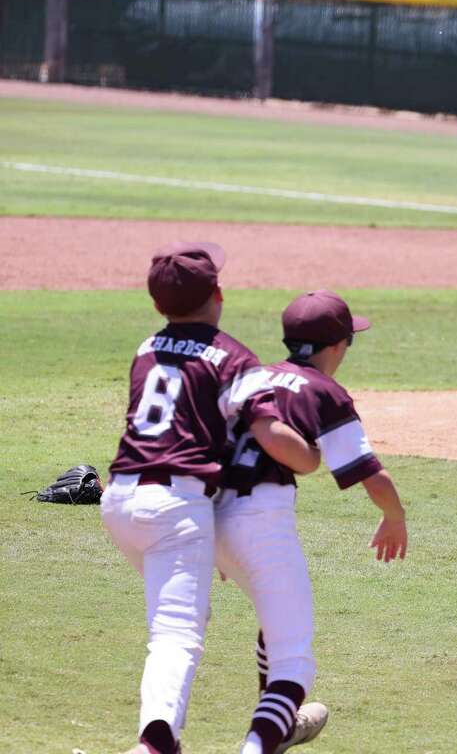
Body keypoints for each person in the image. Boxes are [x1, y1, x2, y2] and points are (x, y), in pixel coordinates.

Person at [104, 242, 319, 754]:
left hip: (119, 501)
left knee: (178, 619)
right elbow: (270, 434)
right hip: (176, 507)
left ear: (158, 305)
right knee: (176, 634)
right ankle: (155, 744)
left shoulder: (146, 347)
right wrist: (310, 458)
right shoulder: (231, 356)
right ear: (218, 295)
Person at [218, 289, 408, 754]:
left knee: (274, 621)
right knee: (294, 657)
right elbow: (371, 474)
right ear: (338, 346)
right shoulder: (326, 392)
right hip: (261, 521)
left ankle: (279, 726)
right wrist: (394, 517)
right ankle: (263, 741)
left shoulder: (251, 376)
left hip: (209, 514)